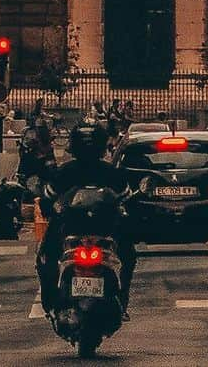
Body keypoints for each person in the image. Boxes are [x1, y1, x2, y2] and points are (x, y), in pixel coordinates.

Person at [36, 123, 135, 316]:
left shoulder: (64, 171)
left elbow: (47, 200)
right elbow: (127, 201)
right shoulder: (111, 172)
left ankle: (50, 301)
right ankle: (122, 301)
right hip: (100, 231)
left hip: (73, 230)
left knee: (45, 256)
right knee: (128, 255)